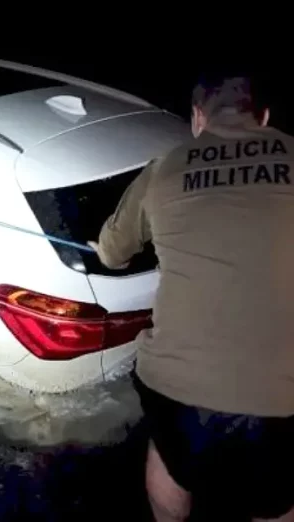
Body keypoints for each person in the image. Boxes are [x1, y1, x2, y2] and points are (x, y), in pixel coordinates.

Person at [88, 74, 294, 521]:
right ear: (263, 116)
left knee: (169, 452)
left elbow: (112, 253)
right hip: (283, 394)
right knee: (276, 498)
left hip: (180, 386)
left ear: (198, 117)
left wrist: (104, 248)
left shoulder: (165, 167)